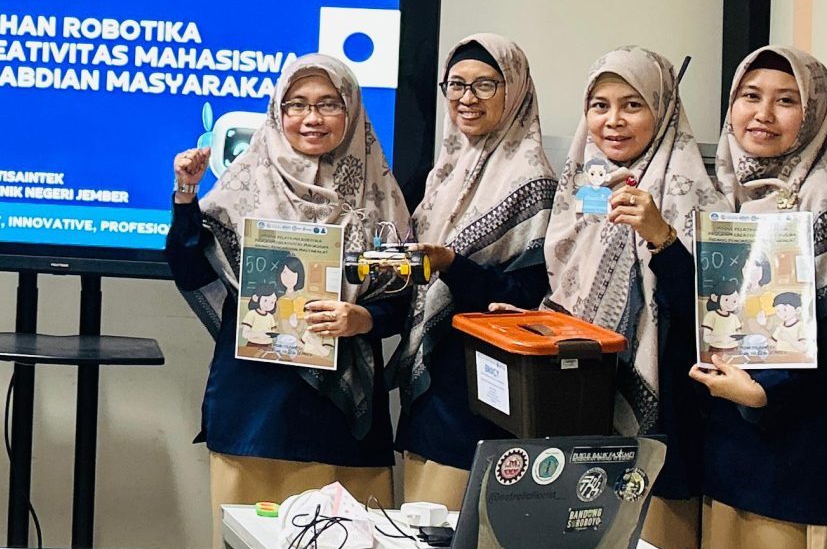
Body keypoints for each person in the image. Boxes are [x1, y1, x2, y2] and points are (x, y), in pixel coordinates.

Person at [170, 53, 416, 548]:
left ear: (351, 110)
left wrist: (363, 318)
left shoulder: (379, 197)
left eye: (328, 104)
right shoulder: (243, 186)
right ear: (278, 111)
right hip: (256, 409)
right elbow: (192, 269)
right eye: (297, 104)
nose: (311, 118)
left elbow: (402, 297)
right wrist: (185, 196)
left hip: (342, 417)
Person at [688, 46, 827, 549]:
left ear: (813, 115)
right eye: (750, 96)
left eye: (786, 101)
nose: (763, 114)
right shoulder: (721, 194)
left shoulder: (825, 199)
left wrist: (767, 393)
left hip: (796, 452)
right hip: (727, 436)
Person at [541, 47, 713, 549]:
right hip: (580, 402)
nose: (613, 121)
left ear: (662, 110)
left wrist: (662, 236)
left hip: (667, 417)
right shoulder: (581, 185)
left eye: (632, 105)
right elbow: (565, 283)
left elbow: (707, 314)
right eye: (600, 105)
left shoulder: (693, 193)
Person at [397, 34, 556, 507]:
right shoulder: (447, 171)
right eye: (457, 84)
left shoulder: (533, 181)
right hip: (432, 388)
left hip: (481, 394)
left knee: (453, 524)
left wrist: (452, 265)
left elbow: (524, 299)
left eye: (486, 85)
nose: (468, 98)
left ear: (515, 91)